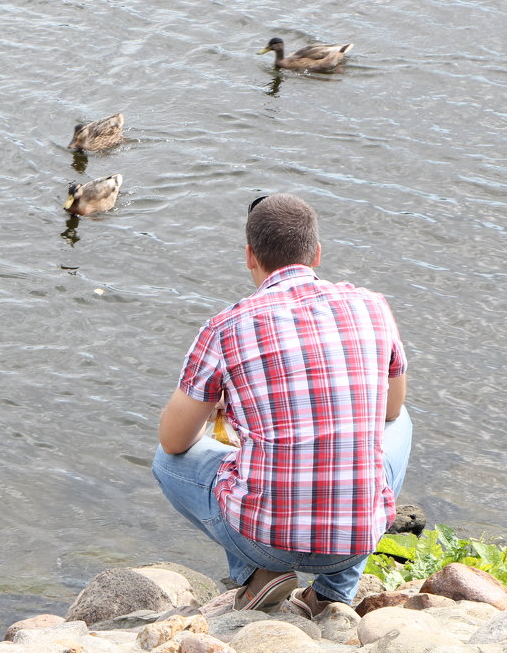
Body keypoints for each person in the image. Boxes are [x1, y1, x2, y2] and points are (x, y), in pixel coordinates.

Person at [151, 193, 411, 618]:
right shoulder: (373, 307)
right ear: (317, 254)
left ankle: (257, 572)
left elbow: (173, 441)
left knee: (166, 461)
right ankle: (333, 591)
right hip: (354, 542)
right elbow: (392, 410)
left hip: (263, 539)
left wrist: (221, 407)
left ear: (250, 256)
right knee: (399, 424)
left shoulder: (226, 326)